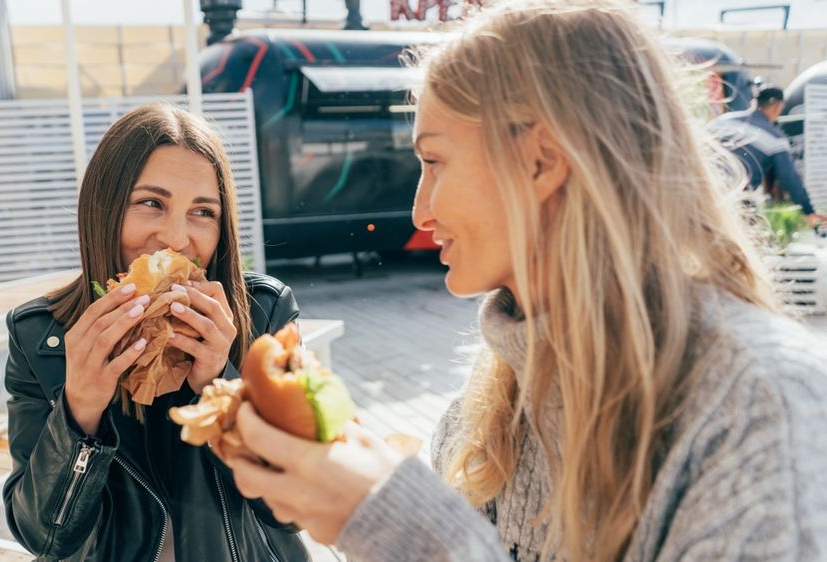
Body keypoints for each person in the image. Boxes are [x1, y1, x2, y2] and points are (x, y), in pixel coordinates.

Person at [223, 2, 827, 561]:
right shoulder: (489, 402)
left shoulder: (761, 402)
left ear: (541, 160)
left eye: (433, 162)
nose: (418, 211)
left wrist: (399, 523)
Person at [2, 103, 310, 561]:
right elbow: (42, 537)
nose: (177, 238)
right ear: (102, 210)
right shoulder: (42, 338)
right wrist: (79, 409)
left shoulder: (262, 315)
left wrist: (220, 390)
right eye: (151, 203)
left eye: (202, 212)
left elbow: (292, 509)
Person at [711, 84, 827, 226]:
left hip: (700, 186)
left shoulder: (722, 121)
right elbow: (789, 177)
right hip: (734, 197)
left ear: (754, 102)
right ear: (777, 106)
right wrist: (808, 211)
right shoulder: (775, 139)